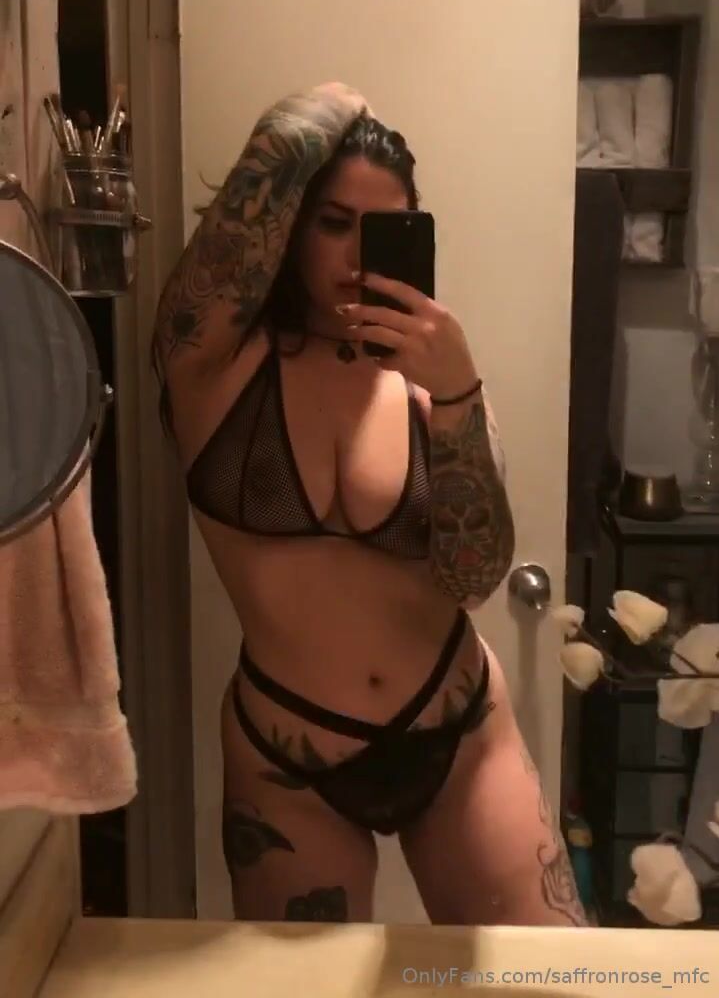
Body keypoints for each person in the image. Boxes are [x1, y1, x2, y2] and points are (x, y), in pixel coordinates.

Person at [152, 81, 585, 927]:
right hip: (288, 759)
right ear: (288, 226)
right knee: (313, 990)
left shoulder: (434, 381)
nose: (356, 255)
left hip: (461, 731)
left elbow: (474, 576)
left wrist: (457, 393)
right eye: (333, 222)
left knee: (551, 979)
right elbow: (274, 158)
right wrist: (339, 101)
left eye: (382, 228)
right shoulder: (211, 367)